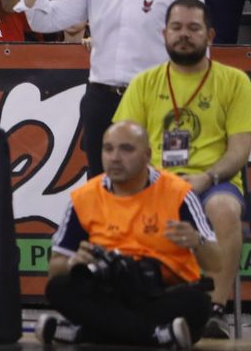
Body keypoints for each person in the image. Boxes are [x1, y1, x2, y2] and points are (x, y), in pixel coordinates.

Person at [15, 0, 203, 176]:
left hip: (161, 99)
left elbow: (199, 56)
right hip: (101, 99)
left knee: (165, 185)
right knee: (102, 187)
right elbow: (45, 20)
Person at [113, 0, 251, 335]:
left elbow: (240, 149)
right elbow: (123, 145)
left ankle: (214, 311)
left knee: (223, 208)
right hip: (156, 184)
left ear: (210, 35)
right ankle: (135, 309)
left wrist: (207, 177)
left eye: (193, 28)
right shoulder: (144, 83)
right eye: (176, 28)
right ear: (164, 34)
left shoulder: (235, 82)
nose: (184, 35)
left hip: (214, 182)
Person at [38, 121, 216, 349]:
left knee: (197, 303)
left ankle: (87, 332)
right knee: (58, 288)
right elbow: (55, 268)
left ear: (147, 155)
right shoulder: (83, 198)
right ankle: (155, 335)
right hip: (108, 293)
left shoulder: (178, 192)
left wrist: (197, 242)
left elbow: (216, 263)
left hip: (159, 294)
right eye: (108, 149)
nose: (115, 157)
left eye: (126, 149)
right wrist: (73, 262)